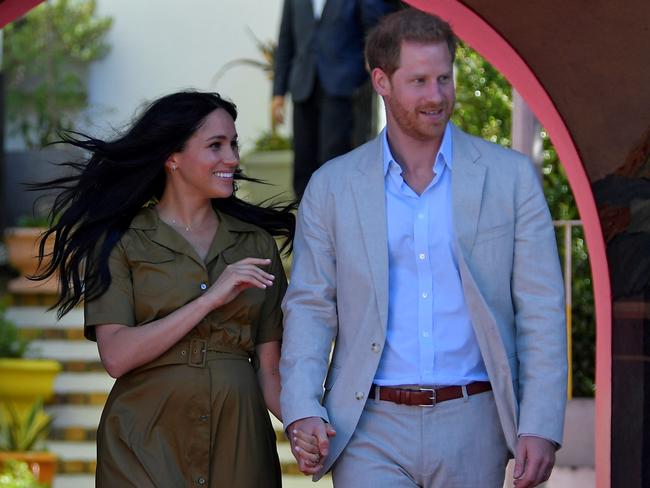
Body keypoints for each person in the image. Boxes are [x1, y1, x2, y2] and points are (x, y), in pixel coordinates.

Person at [280, 8, 567, 488]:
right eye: (418, 81)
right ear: (381, 81)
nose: (436, 96)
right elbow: (310, 305)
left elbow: (541, 308)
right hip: (368, 426)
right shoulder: (331, 186)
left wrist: (539, 424)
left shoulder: (510, 178)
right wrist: (302, 407)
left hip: (473, 421)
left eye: (444, 79)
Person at [32, 91, 294, 487]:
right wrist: (210, 299)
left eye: (234, 144)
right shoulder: (122, 240)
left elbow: (270, 370)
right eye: (216, 146)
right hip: (143, 440)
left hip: (239, 441)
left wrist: (304, 424)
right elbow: (116, 356)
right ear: (173, 157)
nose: (233, 159)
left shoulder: (256, 244)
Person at [272, 0, 398, 198]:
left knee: (333, 158)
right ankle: (305, 219)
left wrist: (372, 61)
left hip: (343, 87)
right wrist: (278, 93)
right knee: (303, 161)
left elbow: (375, 27)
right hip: (304, 86)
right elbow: (285, 41)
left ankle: (336, 218)